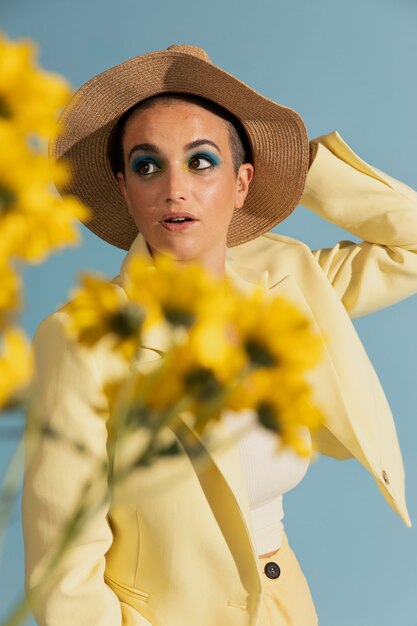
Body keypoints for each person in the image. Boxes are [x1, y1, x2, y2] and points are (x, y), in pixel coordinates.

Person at [21, 44, 417, 626]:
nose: (174, 188)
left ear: (241, 182)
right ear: (125, 190)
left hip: (285, 597)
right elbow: (62, 563)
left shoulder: (291, 281)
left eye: (202, 161)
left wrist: (300, 168)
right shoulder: (83, 338)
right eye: (147, 165)